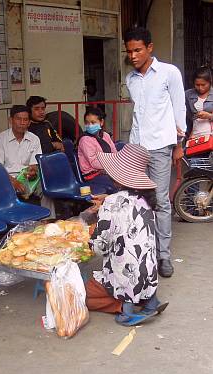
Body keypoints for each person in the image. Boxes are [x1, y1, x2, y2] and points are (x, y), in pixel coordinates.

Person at [124, 27, 187, 277]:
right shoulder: (130, 79)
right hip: (137, 148)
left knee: (160, 201)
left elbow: (179, 108)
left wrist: (179, 145)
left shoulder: (169, 73)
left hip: (161, 147)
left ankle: (164, 256)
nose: (133, 55)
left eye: (138, 50)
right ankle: (142, 251)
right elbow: (138, 116)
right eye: (129, 51)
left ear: (150, 48)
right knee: (138, 201)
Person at [87, 144, 168, 326]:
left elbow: (100, 247)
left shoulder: (111, 202)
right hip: (149, 275)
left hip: (126, 276)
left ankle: (126, 310)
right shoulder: (146, 200)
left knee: (86, 295)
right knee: (135, 264)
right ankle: (150, 301)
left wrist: (90, 237)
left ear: (117, 176)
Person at [0, 105, 41, 195]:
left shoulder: (34, 139)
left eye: (25, 120)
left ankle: (48, 210)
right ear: (10, 120)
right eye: (18, 119)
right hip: (6, 178)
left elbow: (34, 164)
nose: (22, 123)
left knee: (45, 187)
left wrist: (33, 171)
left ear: (29, 123)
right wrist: (14, 182)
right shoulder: (0, 139)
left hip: (27, 178)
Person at [77, 107, 117, 193]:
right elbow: (94, 162)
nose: (90, 126)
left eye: (93, 122)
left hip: (107, 171)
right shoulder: (85, 140)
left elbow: (114, 153)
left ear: (101, 122)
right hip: (92, 176)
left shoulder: (105, 135)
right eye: (87, 123)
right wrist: (112, 165)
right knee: (117, 184)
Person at [185, 66, 213, 140]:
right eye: (197, 85)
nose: (200, 88)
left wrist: (209, 116)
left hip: (210, 136)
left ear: (210, 82)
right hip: (195, 136)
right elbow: (188, 117)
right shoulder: (188, 94)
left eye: (203, 85)